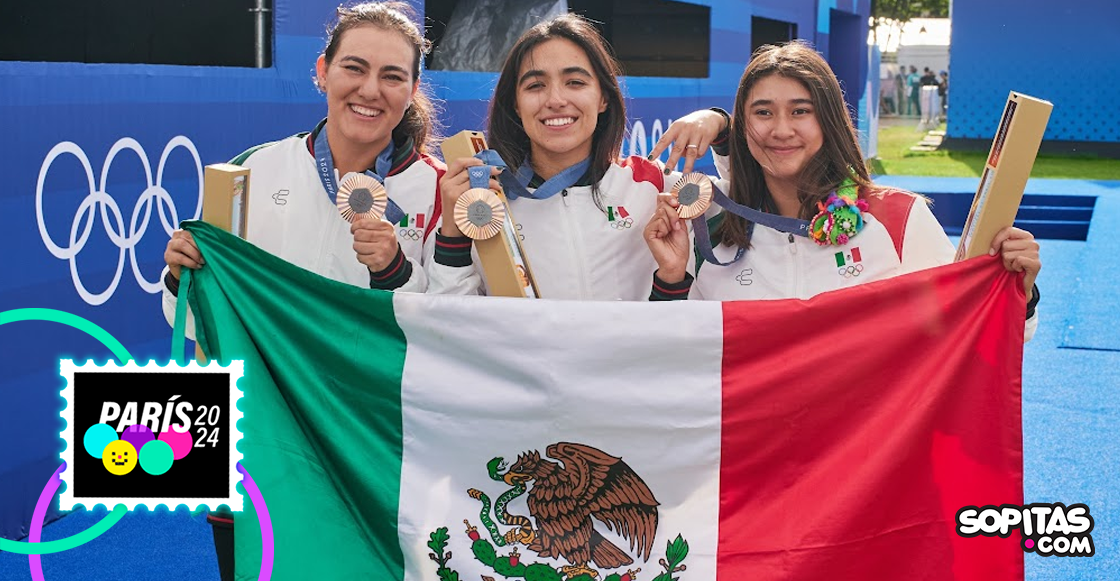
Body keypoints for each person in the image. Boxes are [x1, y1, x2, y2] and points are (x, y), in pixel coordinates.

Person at [159, 2, 444, 579]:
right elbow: (193, 320)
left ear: (413, 88)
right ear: (321, 71)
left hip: (369, 445)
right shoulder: (250, 172)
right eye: (354, 68)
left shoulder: (440, 192)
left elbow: (453, 330)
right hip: (257, 440)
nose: (371, 89)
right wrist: (179, 275)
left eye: (393, 76)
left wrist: (393, 270)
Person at [643, 41, 1040, 341]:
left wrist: (1017, 293)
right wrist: (673, 279)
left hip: (864, 450)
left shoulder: (897, 219)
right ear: (744, 127)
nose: (781, 130)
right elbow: (676, 356)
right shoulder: (707, 221)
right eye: (762, 112)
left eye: (801, 111)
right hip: (751, 448)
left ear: (828, 119)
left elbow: (965, 336)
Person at [427, 13, 725, 300]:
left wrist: (722, 126)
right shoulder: (484, 201)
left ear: (604, 98)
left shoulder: (654, 185)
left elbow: (760, 201)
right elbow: (450, 326)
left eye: (575, 82)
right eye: (535, 86)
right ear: (516, 105)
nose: (556, 100)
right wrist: (453, 235)